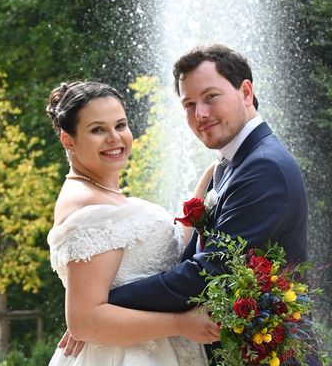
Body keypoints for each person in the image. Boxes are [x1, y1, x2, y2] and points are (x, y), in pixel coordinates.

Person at [103, 44, 310, 362]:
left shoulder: (264, 167)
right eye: (189, 104)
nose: (200, 114)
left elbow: (210, 272)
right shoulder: (231, 163)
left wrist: (106, 304)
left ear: (245, 91)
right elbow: (194, 255)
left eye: (211, 97)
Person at [45, 80, 217, 365]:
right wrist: (180, 324)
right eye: (98, 129)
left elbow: (170, 252)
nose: (114, 138)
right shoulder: (88, 207)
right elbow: (85, 321)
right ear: (68, 140)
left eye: (120, 125)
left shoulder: (104, 196)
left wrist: (218, 166)